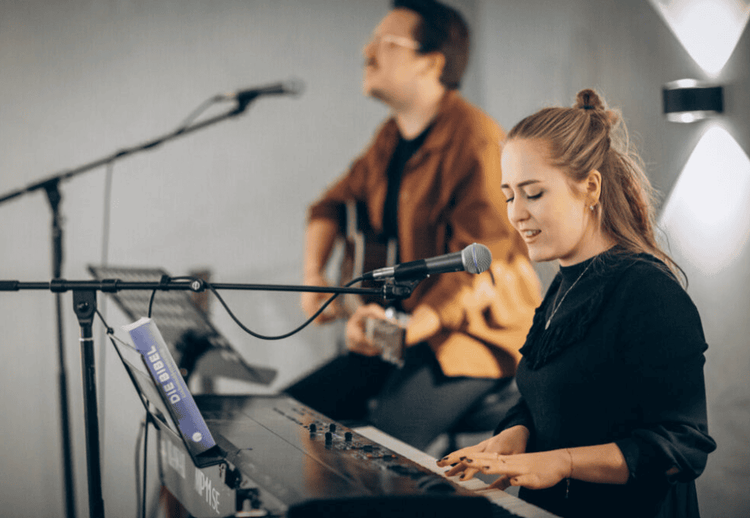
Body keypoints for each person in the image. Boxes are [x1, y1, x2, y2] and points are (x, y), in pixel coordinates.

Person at [437, 89, 717, 518]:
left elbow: (682, 445)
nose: (515, 214)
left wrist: (563, 461)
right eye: (510, 195)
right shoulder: (565, 284)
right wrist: (518, 430)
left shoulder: (647, 291)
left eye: (533, 193)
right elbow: (552, 394)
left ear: (590, 188)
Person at [285, 0, 540, 451]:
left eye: (386, 43)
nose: (367, 52)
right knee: (293, 413)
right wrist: (314, 277)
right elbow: (328, 207)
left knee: (382, 445)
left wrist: (406, 328)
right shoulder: (389, 138)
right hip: (406, 331)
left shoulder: (477, 140)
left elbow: (479, 262)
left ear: (432, 63)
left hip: (475, 337)